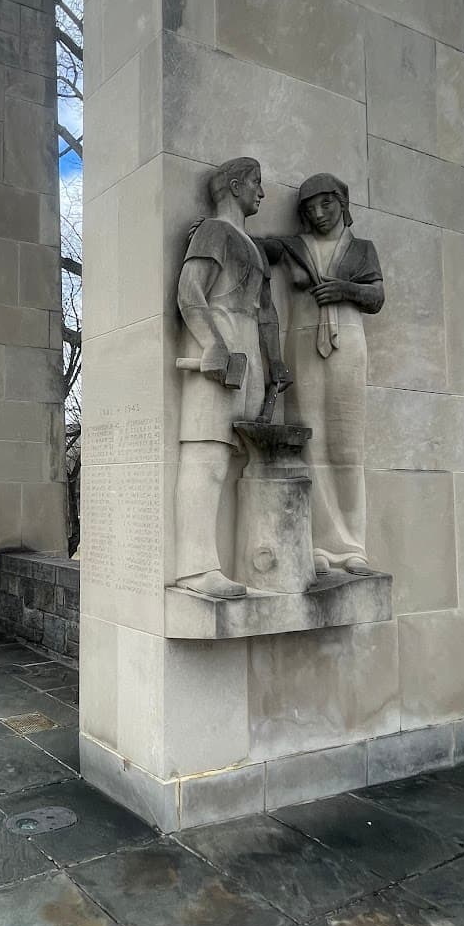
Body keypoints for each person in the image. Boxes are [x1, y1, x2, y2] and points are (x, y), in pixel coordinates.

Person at [174, 157, 290, 598]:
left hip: (250, 356)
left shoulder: (252, 246)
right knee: (207, 458)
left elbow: (266, 313)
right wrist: (212, 344)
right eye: (257, 183)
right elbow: (189, 291)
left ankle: (257, 560)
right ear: (235, 185)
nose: (262, 192)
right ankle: (195, 567)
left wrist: (274, 362)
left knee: (241, 457)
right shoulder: (214, 232)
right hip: (220, 344)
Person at [261, 173, 384, 575]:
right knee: (309, 440)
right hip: (301, 345)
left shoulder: (362, 249)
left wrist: (344, 290)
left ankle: (354, 547)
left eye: (326, 204)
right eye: (310, 208)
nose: (318, 213)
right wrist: (214, 230)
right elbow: (256, 249)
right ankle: (317, 544)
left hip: (348, 344)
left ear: (342, 204)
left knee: (348, 446)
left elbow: (376, 297)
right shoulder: (296, 246)